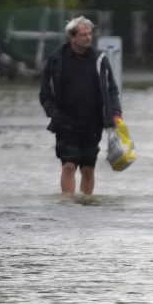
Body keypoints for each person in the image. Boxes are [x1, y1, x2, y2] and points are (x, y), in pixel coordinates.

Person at [39, 16, 122, 196]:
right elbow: (45, 93)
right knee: (68, 165)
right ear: (72, 37)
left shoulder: (100, 59)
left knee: (87, 168)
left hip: (93, 122)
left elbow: (112, 90)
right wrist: (54, 114)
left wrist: (115, 113)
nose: (88, 37)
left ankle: (86, 201)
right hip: (65, 121)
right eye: (84, 34)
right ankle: (68, 203)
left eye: (90, 33)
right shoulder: (56, 60)